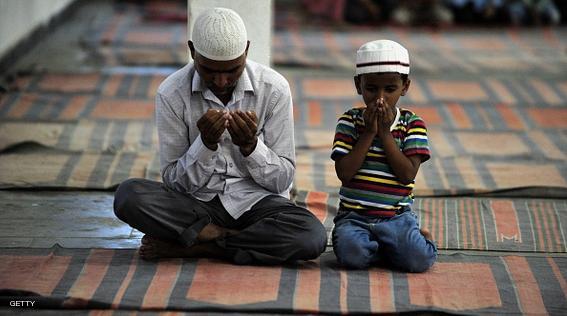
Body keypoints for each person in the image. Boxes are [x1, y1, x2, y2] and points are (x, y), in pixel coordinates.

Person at [113, 7, 327, 265]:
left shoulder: (274, 89)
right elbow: (175, 184)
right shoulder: (171, 93)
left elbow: (283, 180)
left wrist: (251, 147)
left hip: (256, 204)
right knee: (129, 196)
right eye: (210, 71)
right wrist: (205, 145)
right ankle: (229, 239)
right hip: (196, 205)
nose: (222, 81)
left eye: (232, 71)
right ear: (193, 52)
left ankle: (202, 246)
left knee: (310, 237)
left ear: (246, 51)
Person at [330, 40, 437, 272]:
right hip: (354, 217)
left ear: (405, 86)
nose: (380, 98)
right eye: (371, 89)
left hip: (395, 217)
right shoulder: (349, 121)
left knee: (418, 261)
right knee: (351, 257)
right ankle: (386, 248)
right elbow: (345, 174)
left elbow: (407, 174)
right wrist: (369, 132)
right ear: (359, 85)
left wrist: (385, 133)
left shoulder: (412, 123)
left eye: (390, 90)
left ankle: (419, 238)